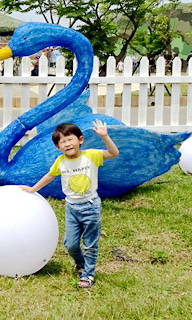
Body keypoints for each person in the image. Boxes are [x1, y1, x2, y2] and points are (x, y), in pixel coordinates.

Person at [21, 120, 119, 289]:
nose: (67, 144)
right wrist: (33, 189)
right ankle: (80, 263)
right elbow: (49, 176)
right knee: (70, 243)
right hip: (72, 208)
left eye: (70, 139)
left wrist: (105, 136)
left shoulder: (91, 155)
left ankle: (88, 274)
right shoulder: (60, 161)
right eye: (62, 142)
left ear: (80, 140)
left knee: (90, 243)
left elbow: (114, 153)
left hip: (90, 206)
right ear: (58, 147)